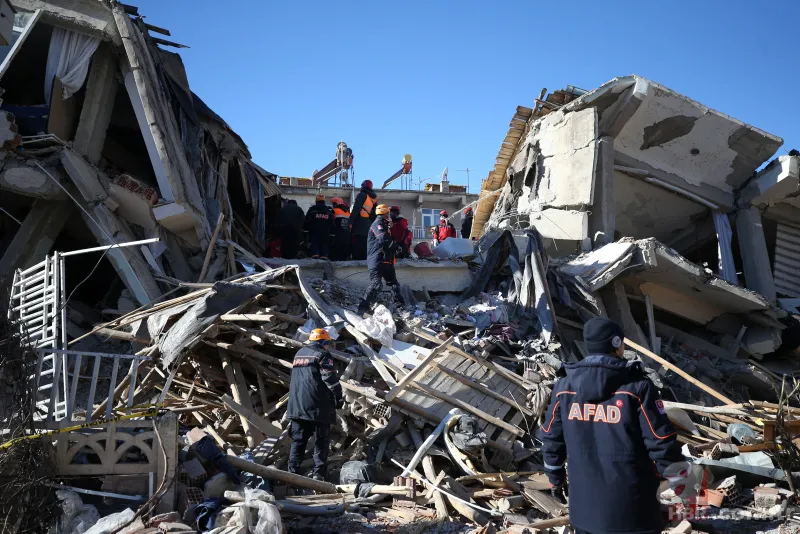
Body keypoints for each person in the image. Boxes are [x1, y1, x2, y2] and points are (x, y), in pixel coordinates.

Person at [539, 317, 683, 534]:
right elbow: (660, 441)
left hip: (584, 513)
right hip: (634, 512)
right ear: (617, 344)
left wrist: (555, 478)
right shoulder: (637, 387)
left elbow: (551, 438)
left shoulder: (564, 386)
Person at [286, 328, 343, 482]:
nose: (328, 347)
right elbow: (329, 378)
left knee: (298, 440)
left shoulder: (299, 354)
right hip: (318, 406)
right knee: (321, 441)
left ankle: (292, 475)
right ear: (323, 342)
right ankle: (319, 475)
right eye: (328, 344)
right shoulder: (322, 355)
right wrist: (339, 396)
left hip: (296, 406)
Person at [357, 204, 405, 315]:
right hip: (377, 260)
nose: (390, 216)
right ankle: (363, 307)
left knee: (394, 284)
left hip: (386, 260)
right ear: (385, 214)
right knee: (376, 284)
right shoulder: (377, 224)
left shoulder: (384, 225)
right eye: (388, 213)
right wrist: (396, 246)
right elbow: (383, 239)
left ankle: (400, 308)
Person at [349, 180, 377, 260]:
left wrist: (350, 222)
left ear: (363, 186)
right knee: (365, 242)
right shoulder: (373, 199)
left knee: (357, 242)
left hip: (359, 222)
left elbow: (356, 209)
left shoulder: (362, 195)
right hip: (367, 224)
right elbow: (374, 214)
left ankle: (356, 260)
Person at [304, 193, 334, 259]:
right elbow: (332, 222)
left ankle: (315, 254)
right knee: (324, 245)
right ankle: (324, 255)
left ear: (316, 201)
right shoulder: (328, 210)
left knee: (315, 244)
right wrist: (332, 233)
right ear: (324, 201)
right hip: (325, 233)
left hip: (314, 231)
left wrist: (305, 230)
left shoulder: (312, 209)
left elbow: (307, 220)